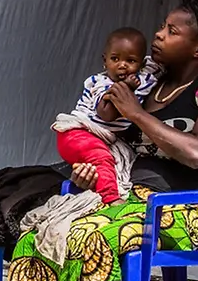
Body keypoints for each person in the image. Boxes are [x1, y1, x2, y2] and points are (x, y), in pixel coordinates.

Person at [0, 0, 198, 281]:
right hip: (123, 197)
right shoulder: (146, 85)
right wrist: (88, 172)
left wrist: (137, 114)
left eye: (171, 31)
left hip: (182, 209)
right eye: (161, 26)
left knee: (88, 237)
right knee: (40, 236)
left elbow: (196, 154)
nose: (157, 35)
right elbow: (110, 144)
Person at [51, 27, 161, 204]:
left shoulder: (145, 77)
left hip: (99, 139)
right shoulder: (100, 83)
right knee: (102, 159)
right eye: (115, 59)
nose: (122, 65)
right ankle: (110, 198)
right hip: (77, 134)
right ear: (105, 61)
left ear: (141, 64)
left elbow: (160, 65)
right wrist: (127, 88)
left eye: (130, 60)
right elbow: (106, 114)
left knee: (113, 163)